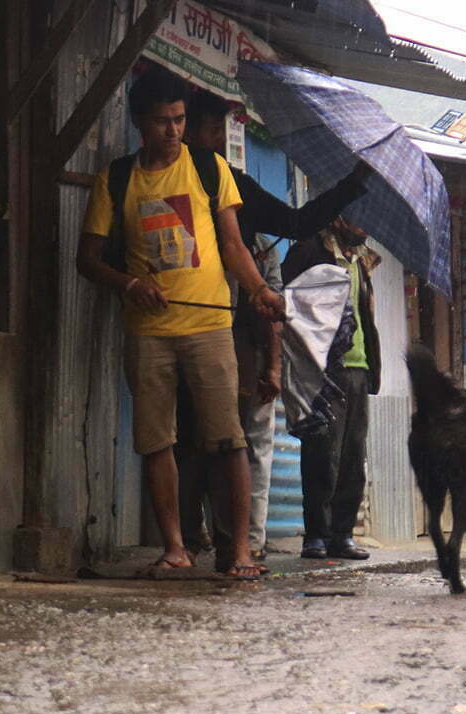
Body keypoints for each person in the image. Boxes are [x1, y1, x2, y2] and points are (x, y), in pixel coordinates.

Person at [76, 68, 284, 578]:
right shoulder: (117, 178)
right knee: (156, 441)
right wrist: (127, 284)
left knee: (229, 438)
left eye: (180, 120)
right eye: (163, 122)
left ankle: (238, 554)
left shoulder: (211, 168)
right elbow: (87, 259)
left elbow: (234, 245)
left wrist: (258, 291)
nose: (173, 131)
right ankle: (174, 548)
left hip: (210, 328)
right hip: (148, 330)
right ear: (140, 124)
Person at [175, 90, 370, 565]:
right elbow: (297, 223)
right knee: (206, 437)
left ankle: (225, 542)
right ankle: (203, 540)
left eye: (222, 132)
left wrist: (352, 185)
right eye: (212, 130)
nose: (218, 141)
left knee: (214, 436)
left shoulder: (229, 181)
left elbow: (295, 221)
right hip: (193, 319)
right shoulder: (170, 178)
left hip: (220, 324)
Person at [284, 218, 381, 560]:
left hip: (359, 367)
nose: (365, 227)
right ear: (339, 218)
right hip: (323, 368)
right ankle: (316, 535)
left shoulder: (362, 260)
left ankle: (342, 534)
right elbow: (289, 304)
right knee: (322, 452)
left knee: (354, 457)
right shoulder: (311, 252)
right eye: (360, 219)